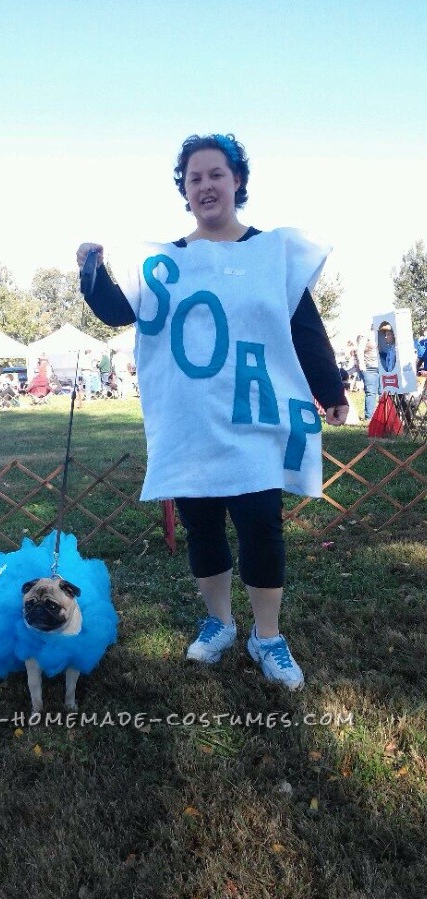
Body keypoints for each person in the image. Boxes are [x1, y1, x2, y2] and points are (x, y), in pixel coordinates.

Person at [77, 132, 348, 691]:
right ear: (184, 188)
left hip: (255, 419)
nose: (205, 185)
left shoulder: (273, 253)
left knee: (261, 528)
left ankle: (267, 637)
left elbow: (301, 322)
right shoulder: (164, 263)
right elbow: (116, 311)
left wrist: (331, 388)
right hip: (190, 424)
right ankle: (220, 623)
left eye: (216, 174)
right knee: (203, 530)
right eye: (194, 177)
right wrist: (91, 271)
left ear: (237, 181)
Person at [356, 332, 380, 422]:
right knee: (370, 392)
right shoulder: (367, 335)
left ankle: (382, 416)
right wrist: (361, 364)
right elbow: (360, 350)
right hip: (369, 368)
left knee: (383, 393)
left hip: (382, 368)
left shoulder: (384, 334)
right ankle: (369, 417)